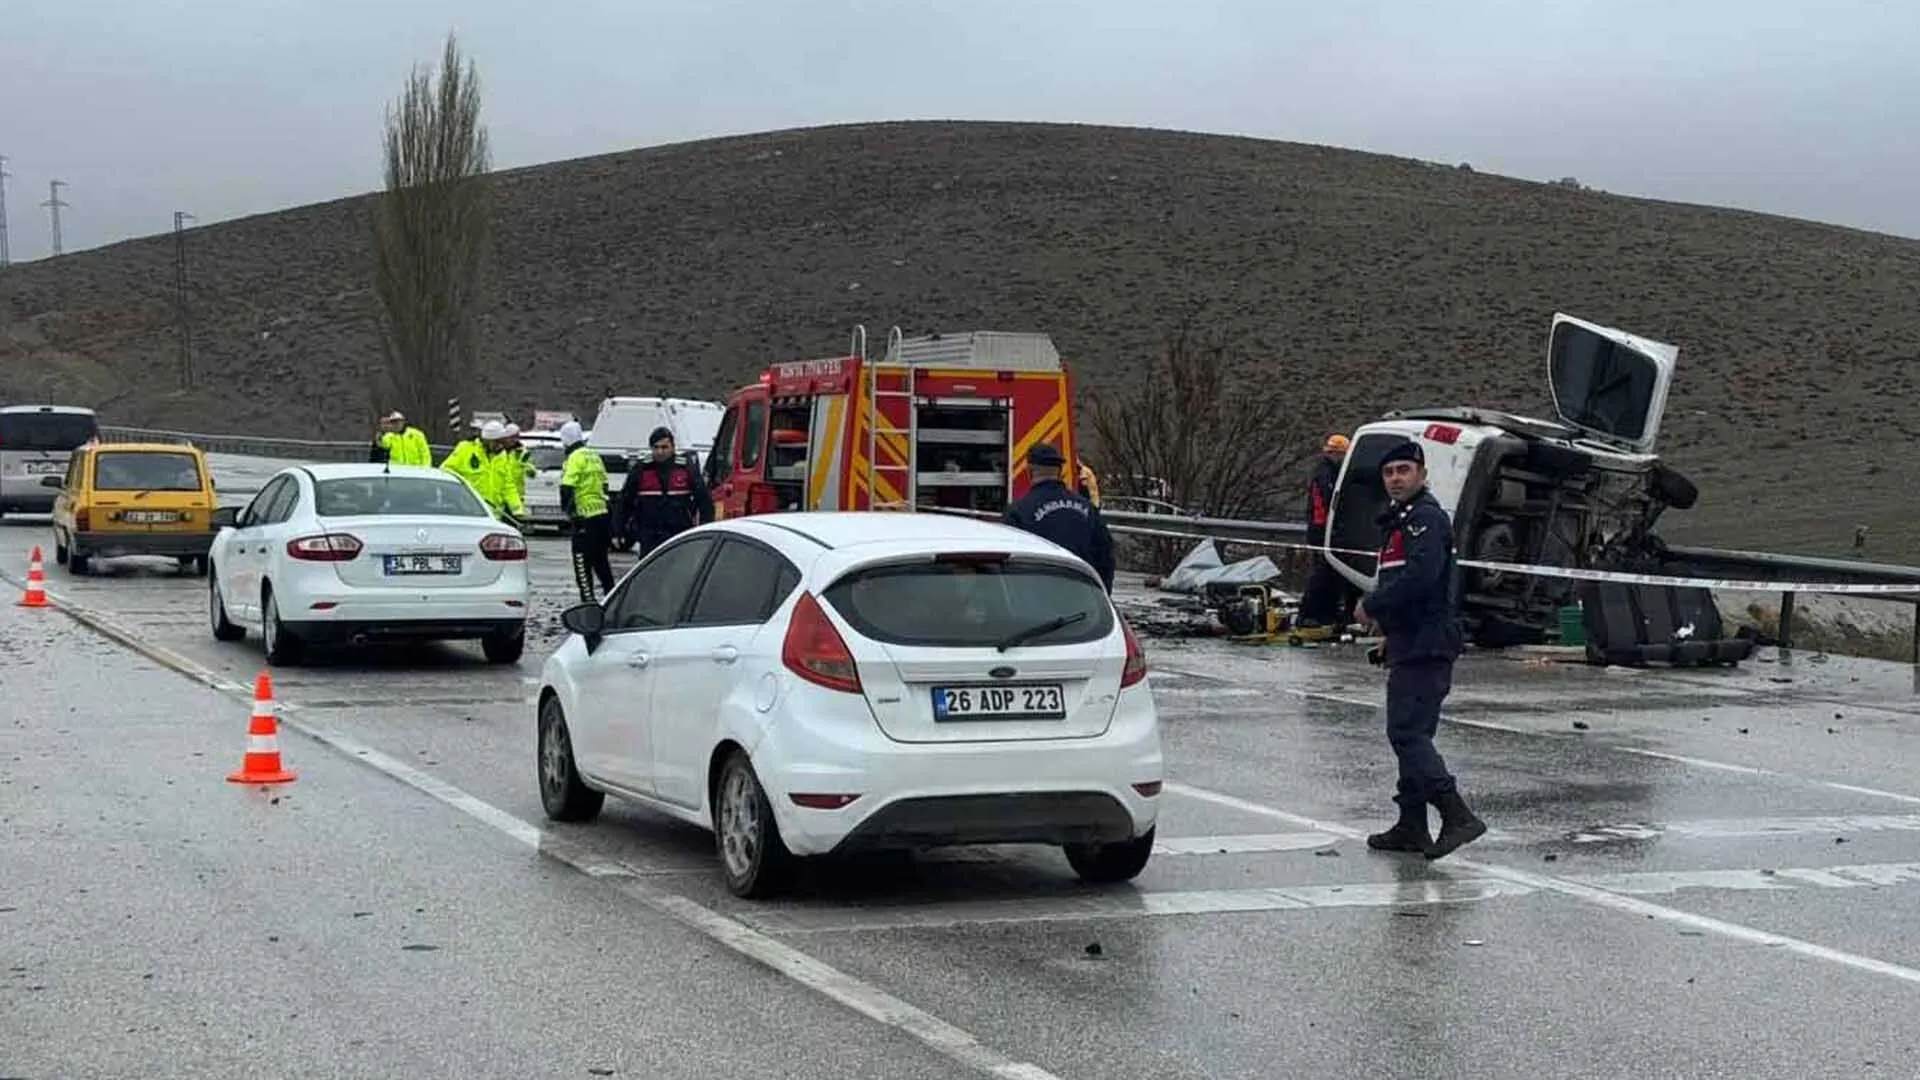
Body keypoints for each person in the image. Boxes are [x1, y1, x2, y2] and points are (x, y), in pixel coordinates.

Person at [1358, 438, 1485, 861]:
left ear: (1422, 475)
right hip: (1409, 640)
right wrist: (1388, 631)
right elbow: (1407, 585)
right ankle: (1412, 823)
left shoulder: (1425, 520)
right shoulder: (1401, 521)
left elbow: (1420, 580)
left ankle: (1457, 814)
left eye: (1404, 471)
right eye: (1390, 472)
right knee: (1411, 733)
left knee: (1408, 733)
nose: (1396, 479)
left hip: (1428, 644)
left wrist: (1372, 605)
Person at [1002, 443, 1116, 592]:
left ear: (1029, 471)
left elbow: (1010, 564)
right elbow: (1105, 558)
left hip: (1038, 599)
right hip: (1083, 597)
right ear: (1060, 471)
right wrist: (1101, 596)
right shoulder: (1088, 509)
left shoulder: (1018, 511)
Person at [615, 426, 713, 557]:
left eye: (664, 447)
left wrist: (704, 529)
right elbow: (624, 501)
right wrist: (617, 531)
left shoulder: (685, 468)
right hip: (649, 535)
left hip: (679, 533)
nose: (660, 452)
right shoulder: (641, 469)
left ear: (673, 447)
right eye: (656, 447)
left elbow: (704, 500)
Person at [1297, 433, 1361, 632]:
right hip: (1322, 529)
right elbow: (1328, 502)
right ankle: (1311, 615)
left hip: (1324, 529)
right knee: (1323, 574)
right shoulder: (1325, 474)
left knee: (1330, 574)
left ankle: (1327, 613)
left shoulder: (1329, 472)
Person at [557, 421, 615, 603]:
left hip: (584, 517)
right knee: (601, 562)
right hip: (602, 516)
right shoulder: (594, 456)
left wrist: (569, 512)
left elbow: (567, 486)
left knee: (582, 564)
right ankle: (611, 597)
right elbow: (605, 485)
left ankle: (588, 602)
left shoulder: (574, 458)